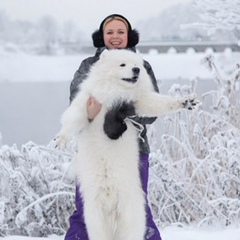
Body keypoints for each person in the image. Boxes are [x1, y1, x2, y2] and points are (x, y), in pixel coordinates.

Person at [64, 14, 162, 240]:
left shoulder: (141, 66)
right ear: (102, 37)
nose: (115, 37)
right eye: (110, 32)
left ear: (129, 36)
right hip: (94, 154)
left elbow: (151, 112)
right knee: (86, 212)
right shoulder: (89, 66)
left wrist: (123, 109)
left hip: (134, 152)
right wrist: (88, 113)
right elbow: (75, 106)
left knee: (138, 212)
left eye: (121, 32)